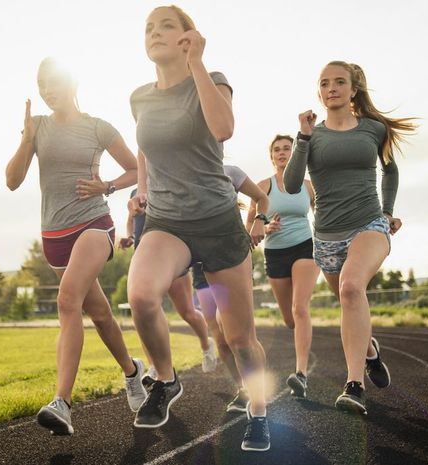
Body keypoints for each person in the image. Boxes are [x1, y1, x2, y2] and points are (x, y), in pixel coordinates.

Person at [126, 5, 272, 452]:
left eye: (165, 26)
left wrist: (198, 63)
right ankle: (166, 380)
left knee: (239, 339)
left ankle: (259, 412)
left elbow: (224, 128)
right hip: (168, 221)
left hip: (218, 223)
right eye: (148, 28)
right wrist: (142, 190)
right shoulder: (140, 97)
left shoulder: (213, 77)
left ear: (188, 36)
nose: (153, 33)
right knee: (141, 294)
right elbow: (146, 148)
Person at [5, 57, 146, 435]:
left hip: (94, 225)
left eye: (54, 82)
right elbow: (12, 181)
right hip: (53, 236)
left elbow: (136, 169)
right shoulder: (37, 127)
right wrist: (26, 141)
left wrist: (109, 187)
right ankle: (133, 372)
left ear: (72, 82)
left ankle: (62, 403)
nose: (48, 90)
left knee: (67, 301)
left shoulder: (98, 128)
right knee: (99, 313)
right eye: (41, 84)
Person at [283, 61, 417, 415]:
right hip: (326, 237)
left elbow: (390, 170)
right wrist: (303, 137)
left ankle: (354, 386)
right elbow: (293, 184)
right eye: (325, 83)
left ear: (353, 89)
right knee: (349, 302)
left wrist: (387, 213)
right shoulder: (313, 136)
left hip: (368, 225)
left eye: (339, 82)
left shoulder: (373, 129)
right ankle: (370, 350)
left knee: (351, 288)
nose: (332, 88)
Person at [246, 135, 320, 400]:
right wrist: (265, 227)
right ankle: (300, 344)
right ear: (271, 156)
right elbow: (250, 231)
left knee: (300, 308)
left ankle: (300, 374)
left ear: (295, 153)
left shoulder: (309, 186)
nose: (282, 153)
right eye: (276, 149)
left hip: (306, 247)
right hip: (275, 254)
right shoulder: (262, 187)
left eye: (287, 148)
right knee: (290, 319)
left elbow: (322, 216)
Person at [191, 164, 269, 414]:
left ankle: (258, 393)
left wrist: (259, 221)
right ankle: (242, 388)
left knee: (242, 337)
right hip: (200, 265)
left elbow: (261, 198)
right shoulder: (181, 174)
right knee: (219, 334)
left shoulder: (230, 172)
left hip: (230, 258)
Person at [119, 188, 217, 378]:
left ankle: (206, 344)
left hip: (170, 258)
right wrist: (130, 237)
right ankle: (154, 366)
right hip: (144, 260)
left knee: (187, 311)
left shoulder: (168, 184)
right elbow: (131, 220)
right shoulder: (134, 192)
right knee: (144, 313)